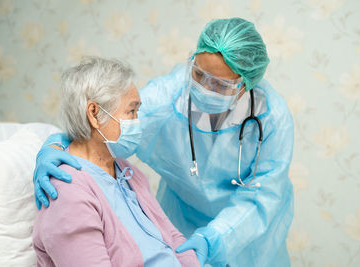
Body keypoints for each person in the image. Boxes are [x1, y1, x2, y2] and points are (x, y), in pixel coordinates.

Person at [33, 18, 294, 267]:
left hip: (249, 236)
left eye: (219, 84)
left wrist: (214, 238)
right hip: (182, 220)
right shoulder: (167, 97)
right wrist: (57, 143)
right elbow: (106, 125)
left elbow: (263, 194)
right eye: (199, 73)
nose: (204, 87)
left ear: (246, 84)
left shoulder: (271, 118)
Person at [32, 56, 199, 267]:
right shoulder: (67, 191)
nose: (138, 122)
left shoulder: (127, 172)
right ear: (94, 113)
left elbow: (173, 238)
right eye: (131, 111)